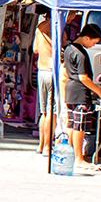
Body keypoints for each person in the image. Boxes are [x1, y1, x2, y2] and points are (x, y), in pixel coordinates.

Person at [64, 24, 101, 164]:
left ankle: (71, 153)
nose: (93, 45)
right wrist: (100, 92)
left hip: (70, 90)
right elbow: (84, 78)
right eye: (93, 42)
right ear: (87, 38)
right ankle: (78, 157)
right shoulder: (80, 54)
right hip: (80, 92)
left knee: (72, 124)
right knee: (80, 126)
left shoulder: (69, 48)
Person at [33, 11, 56, 155]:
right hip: (51, 70)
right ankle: (48, 146)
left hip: (41, 70)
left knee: (44, 112)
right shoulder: (56, 27)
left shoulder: (40, 28)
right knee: (51, 113)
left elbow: (35, 49)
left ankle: (41, 145)